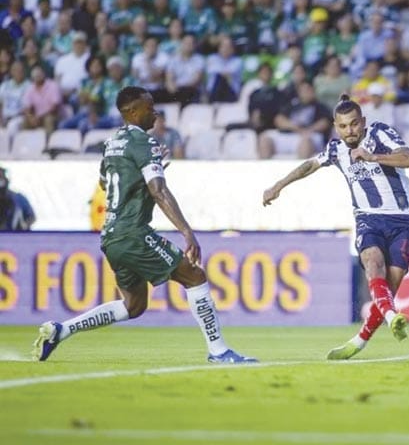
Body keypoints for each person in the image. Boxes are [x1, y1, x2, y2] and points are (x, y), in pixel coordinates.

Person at [33, 86, 256, 364]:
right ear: (133, 111)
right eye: (149, 108)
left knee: (134, 306)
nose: (155, 113)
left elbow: (105, 183)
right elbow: (158, 191)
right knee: (194, 276)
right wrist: (186, 231)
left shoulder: (112, 143)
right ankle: (219, 351)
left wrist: (148, 167)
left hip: (111, 236)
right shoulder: (144, 142)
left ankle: (61, 331)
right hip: (133, 233)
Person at [262, 94, 409, 360]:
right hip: (368, 219)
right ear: (336, 127)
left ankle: (360, 340)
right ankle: (392, 317)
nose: (350, 131)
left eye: (354, 124)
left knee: (388, 292)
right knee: (372, 263)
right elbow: (310, 165)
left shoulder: (379, 133)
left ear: (363, 122)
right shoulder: (336, 149)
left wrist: (373, 157)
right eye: (344, 126)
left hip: (402, 220)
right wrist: (278, 185)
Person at [0, 166, 36, 231]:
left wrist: (24, 225)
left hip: (14, 234)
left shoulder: (18, 198)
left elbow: (31, 217)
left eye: (1, 178)